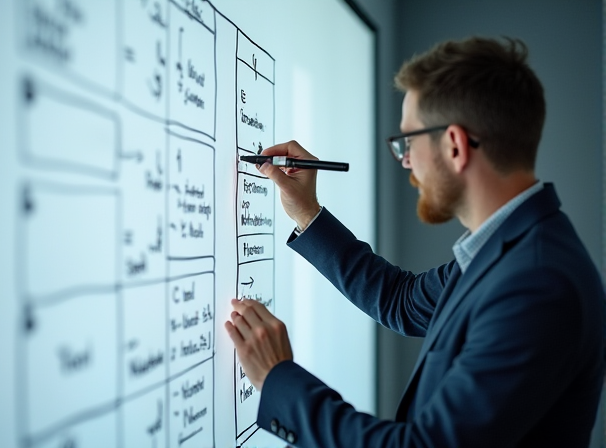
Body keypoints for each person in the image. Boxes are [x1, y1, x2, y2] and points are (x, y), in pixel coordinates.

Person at [224, 36, 605, 447]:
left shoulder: (535, 281)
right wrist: (307, 213)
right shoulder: (511, 250)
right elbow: (401, 300)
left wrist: (279, 380)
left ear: (455, 145)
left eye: (409, 141)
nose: (405, 159)